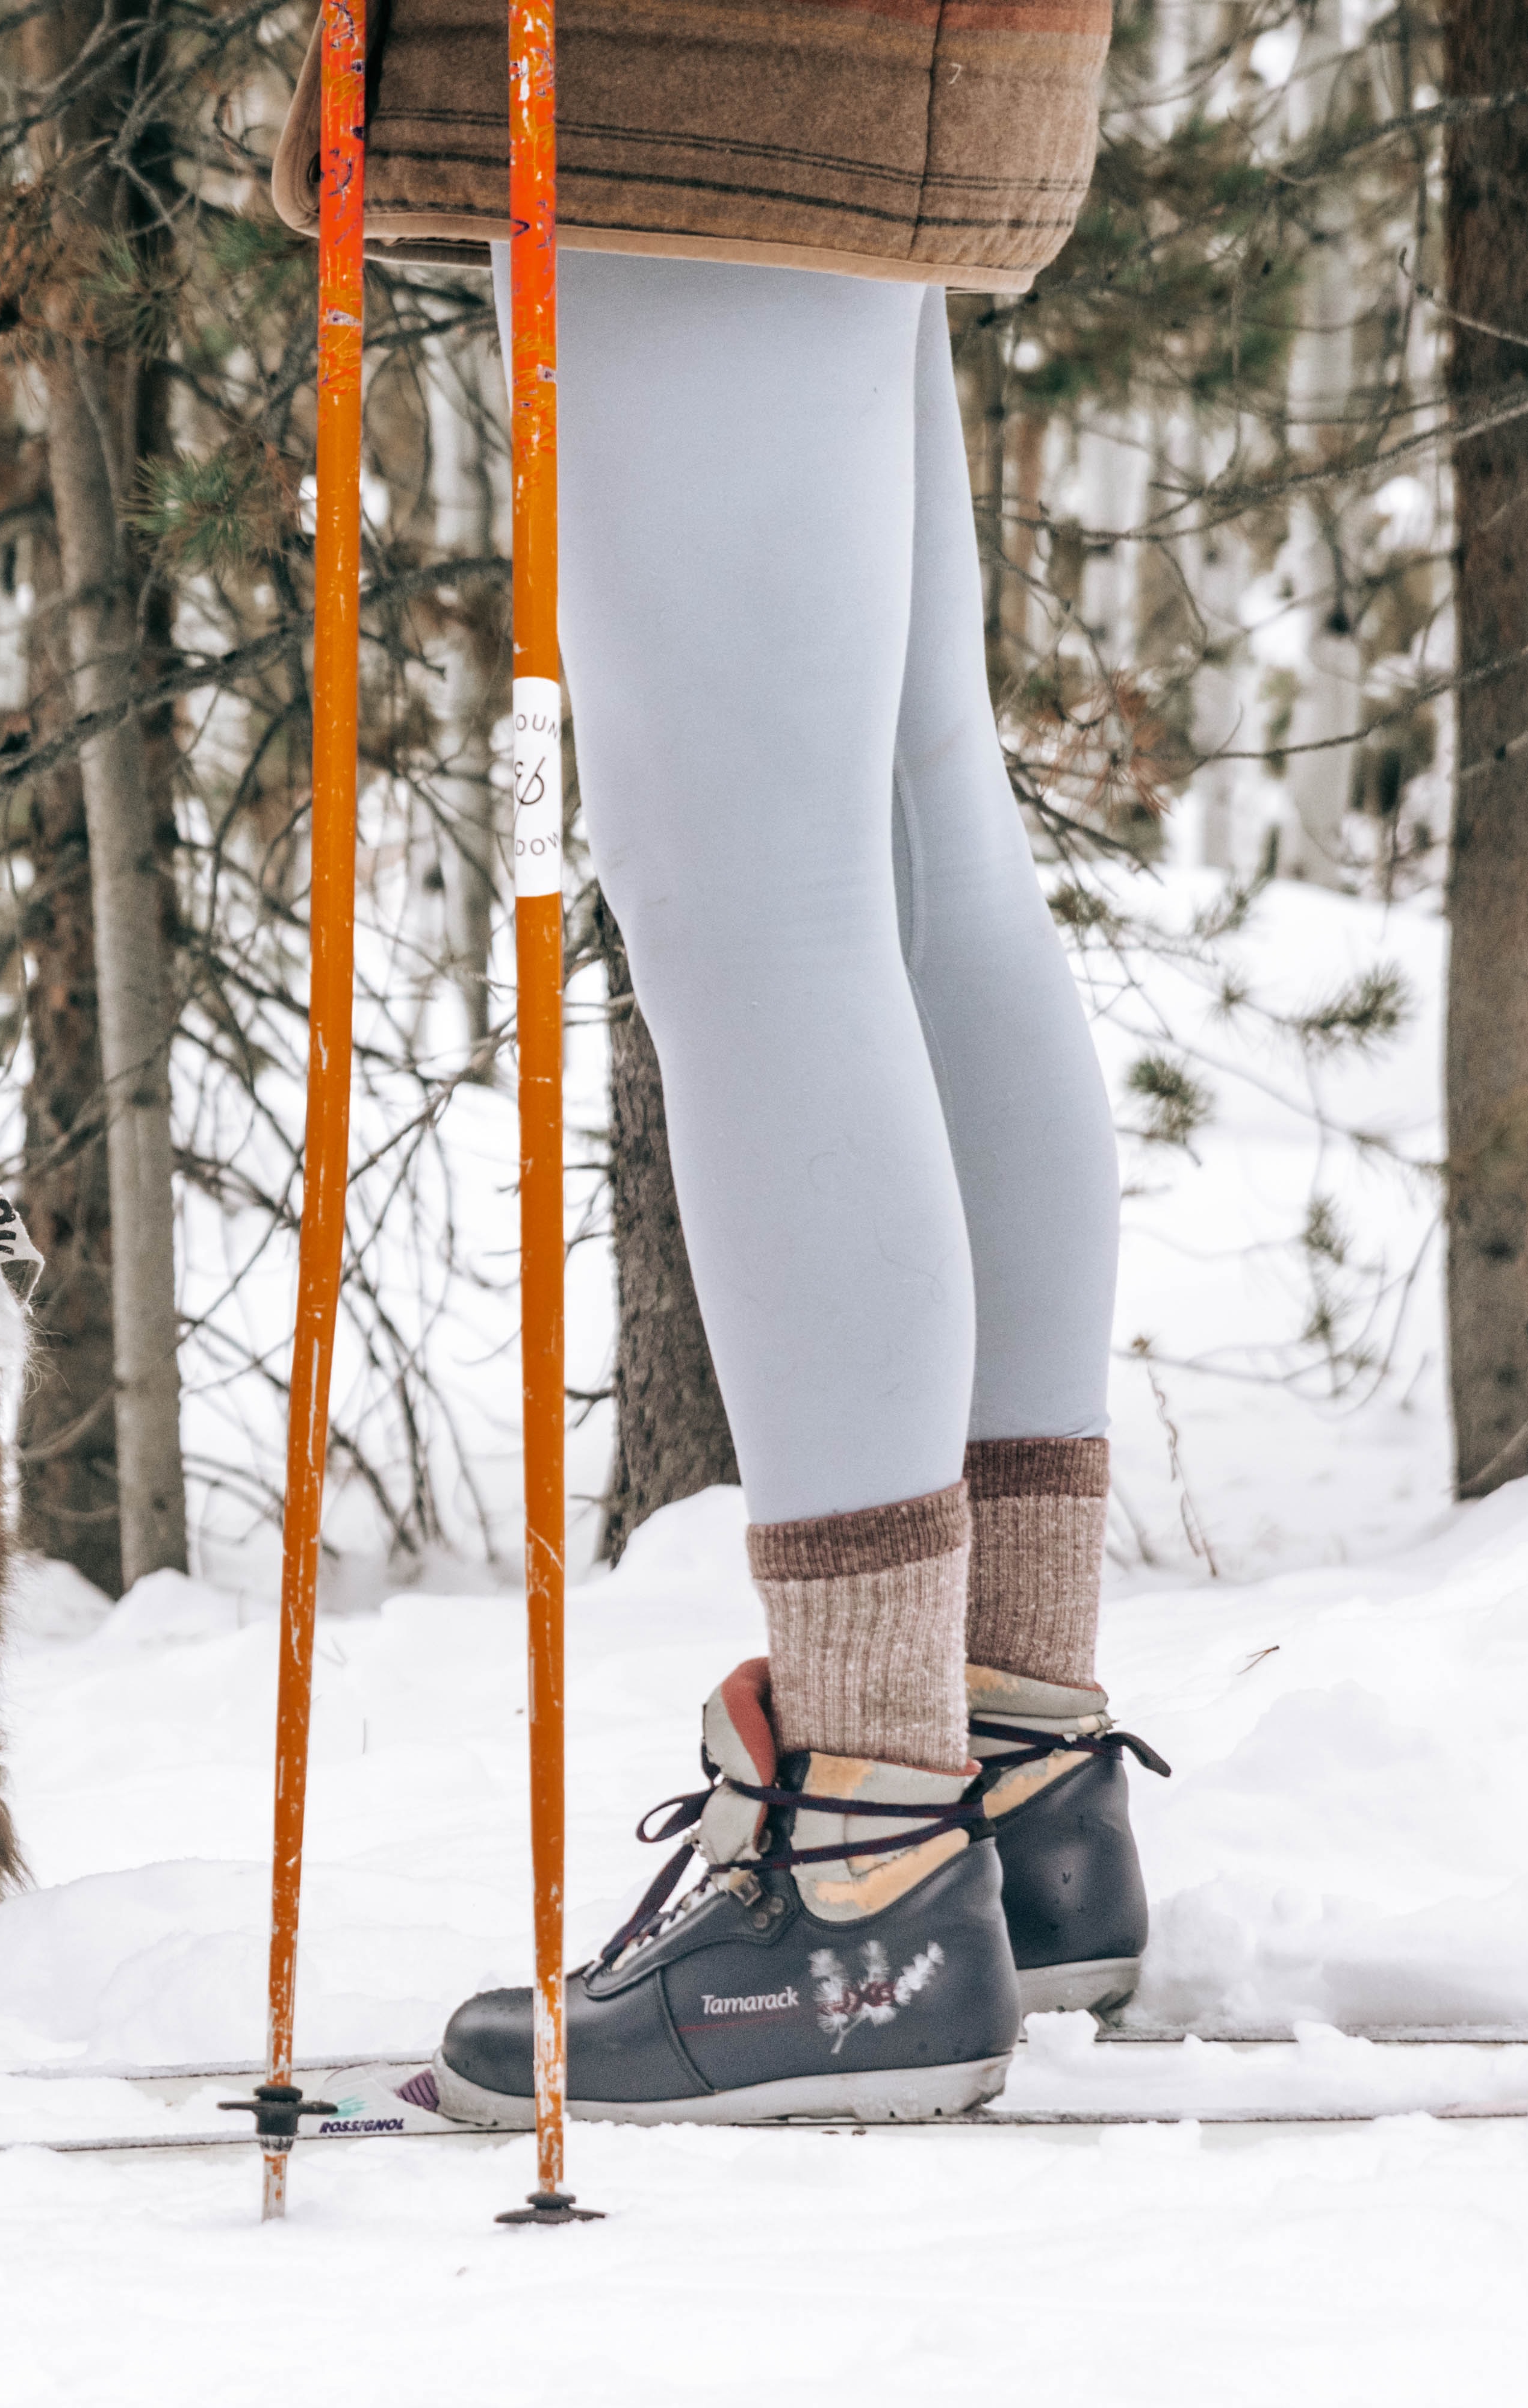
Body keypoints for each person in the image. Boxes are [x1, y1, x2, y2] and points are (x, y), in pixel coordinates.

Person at [275, 0, 1163, 2121]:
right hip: (864, 57)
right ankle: (1003, 1763)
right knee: (907, 820)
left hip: (692, 61)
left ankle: (864, 1862)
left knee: (756, 885)